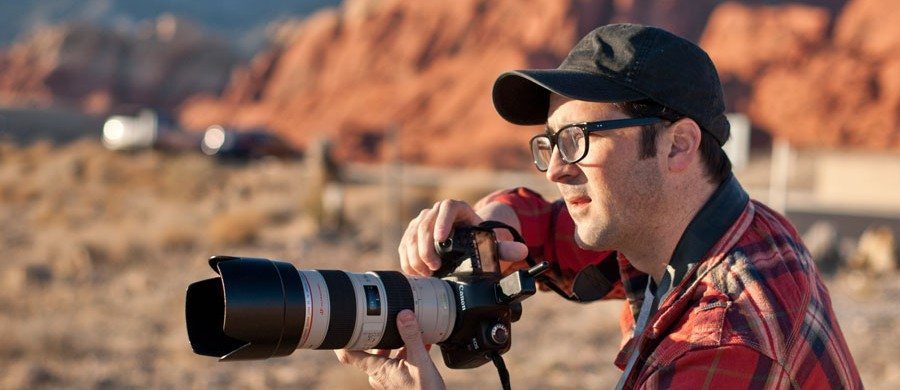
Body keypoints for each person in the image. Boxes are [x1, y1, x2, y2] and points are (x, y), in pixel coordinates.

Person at [336, 23, 862, 389]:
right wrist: (492, 225)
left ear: (678, 145)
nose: (556, 169)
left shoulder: (724, 345)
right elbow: (548, 227)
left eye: (579, 140)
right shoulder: (712, 228)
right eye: (549, 145)